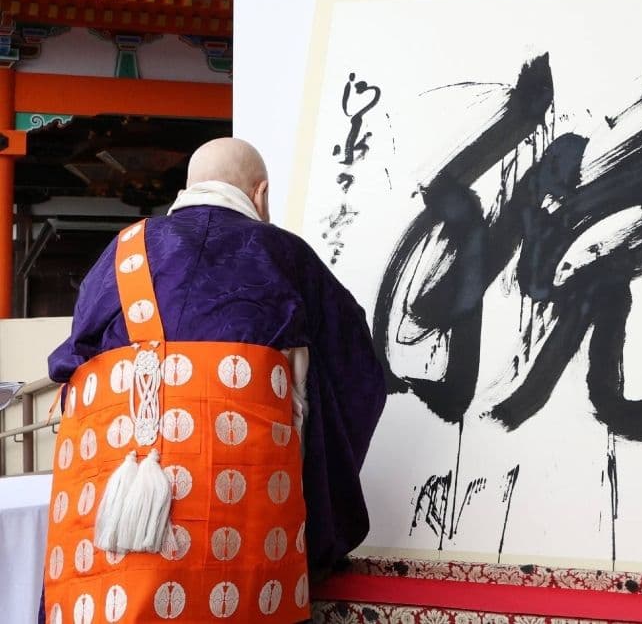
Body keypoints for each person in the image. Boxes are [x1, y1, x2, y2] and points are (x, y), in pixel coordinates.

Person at [41, 137, 386, 623]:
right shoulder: (283, 256)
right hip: (246, 526)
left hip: (119, 527)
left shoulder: (120, 254)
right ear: (260, 195)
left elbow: (71, 363)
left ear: (188, 189)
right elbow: (357, 374)